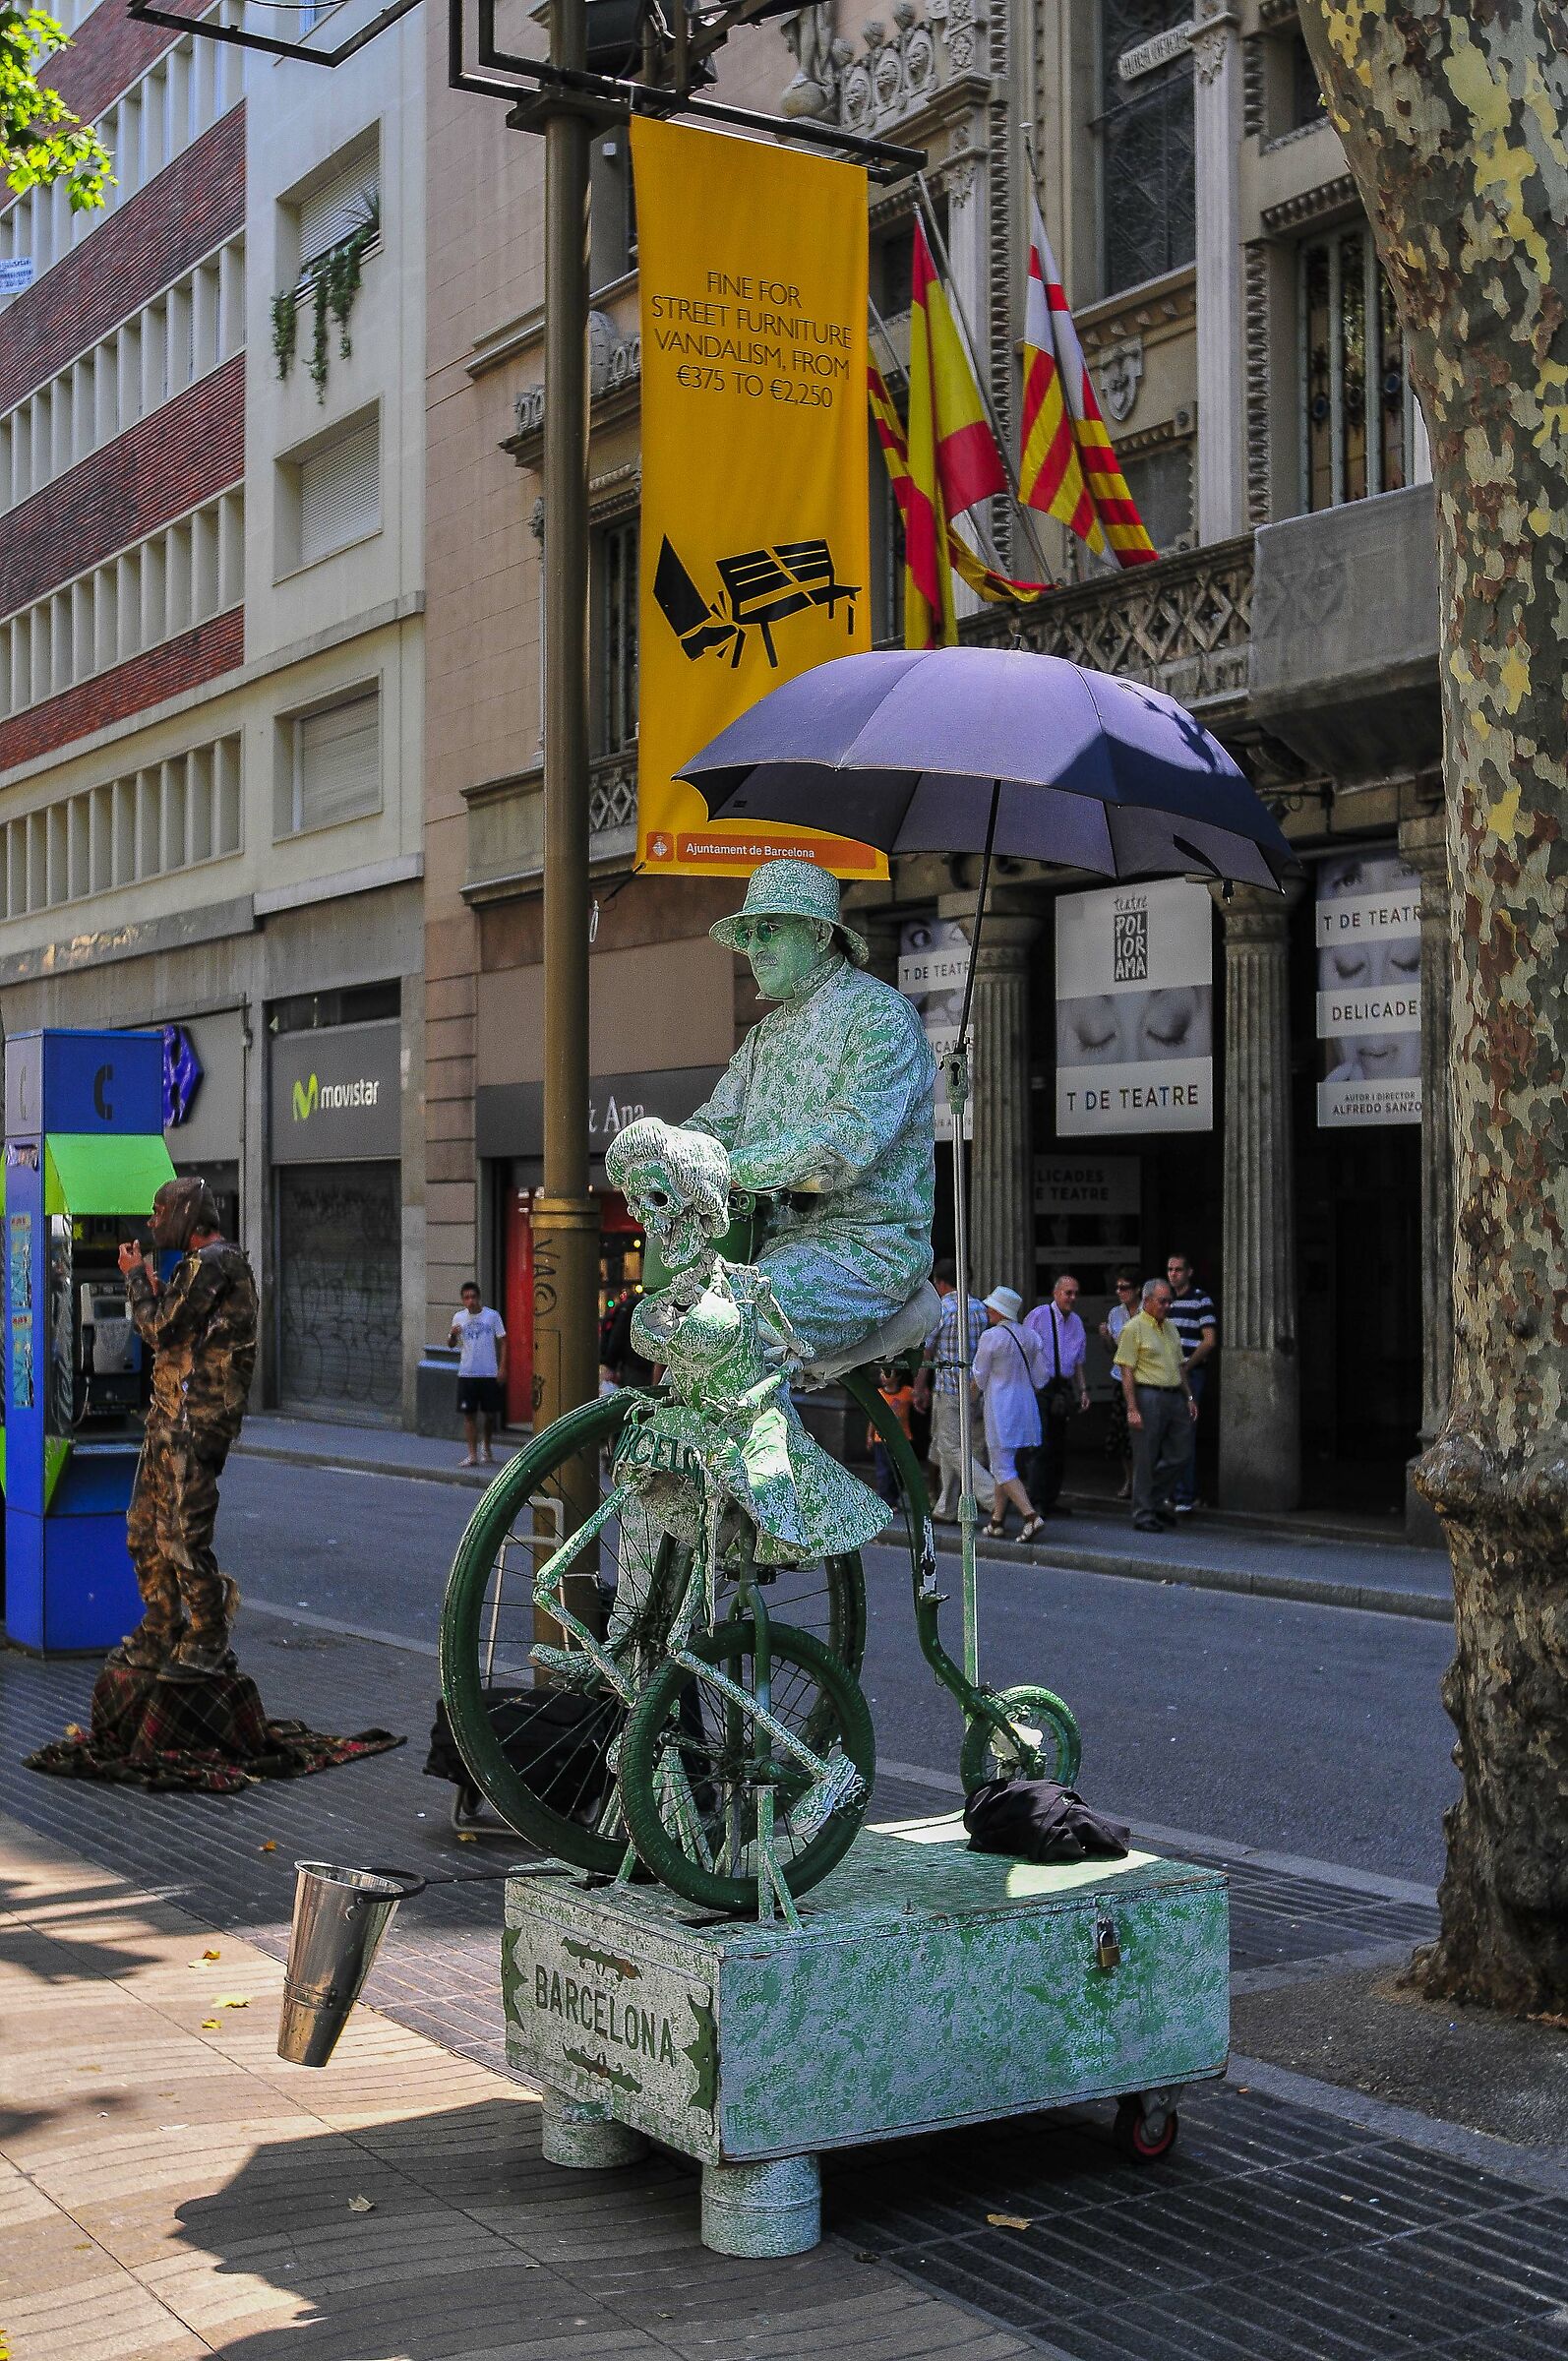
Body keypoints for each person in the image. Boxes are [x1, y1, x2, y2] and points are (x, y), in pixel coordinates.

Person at [684, 859, 935, 1362]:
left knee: (725, 1327)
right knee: (680, 1338)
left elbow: (844, 1144)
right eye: (748, 934)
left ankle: (775, 1445)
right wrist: (668, 1153)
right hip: (768, 1247)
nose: (754, 948)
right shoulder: (765, 1036)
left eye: (768, 929)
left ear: (820, 934)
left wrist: (726, 1169)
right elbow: (715, 1124)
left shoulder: (878, 1016)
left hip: (863, 1251)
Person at [110, 1177, 258, 1679]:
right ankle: (162, 1629)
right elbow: (176, 1332)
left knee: (182, 1536)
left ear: (185, 1215)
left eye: (158, 1212)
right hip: (169, 1418)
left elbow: (159, 1329)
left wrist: (134, 1281)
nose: (152, 1223)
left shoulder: (215, 1263)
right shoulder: (196, 1269)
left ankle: (208, 1639)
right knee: (144, 1530)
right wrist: (154, 1290)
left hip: (194, 1424)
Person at [1113, 1277, 1197, 1532]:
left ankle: (1154, 1500)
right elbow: (1126, 1370)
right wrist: (1132, 1408)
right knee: (1146, 1457)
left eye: (1170, 1301)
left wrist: (1189, 1396)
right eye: (1162, 1301)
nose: (1167, 1306)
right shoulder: (1134, 1328)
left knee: (1181, 1453)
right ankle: (1144, 1512)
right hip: (1148, 1394)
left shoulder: (1170, 1327)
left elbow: (1180, 1365)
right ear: (1147, 1301)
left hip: (1173, 1394)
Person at [914, 1258, 995, 1522]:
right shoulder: (982, 1309)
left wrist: (919, 1387)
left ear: (940, 1282)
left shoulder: (943, 1309)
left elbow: (927, 1351)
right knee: (958, 1444)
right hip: (975, 1388)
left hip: (948, 1386)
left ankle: (993, 1495)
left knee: (951, 1447)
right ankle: (947, 1506)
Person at [970, 1286, 1050, 1543]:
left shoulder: (991, 1338)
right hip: (1024, 1405)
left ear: (998, 1310)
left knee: (1002, 1466)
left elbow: (979, 1376)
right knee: (1005, 1463)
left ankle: (1030, 1516)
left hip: (999, 1406)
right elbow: (1041, 1377)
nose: (987, 1310)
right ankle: (996, 1520)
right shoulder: (1030, 1336)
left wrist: (969, 1401)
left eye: (990, 1307)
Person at [1023, 1273, 1090, 1516]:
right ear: (1056, 1293)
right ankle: (1035, 1500)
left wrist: (1082, 1390)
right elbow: (1025, 1351)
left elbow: (1079, 1363)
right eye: (1067, 1292)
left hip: (1063, 1386)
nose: (1072, 1298)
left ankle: (1050, 1498)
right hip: (1041, 1386)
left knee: (1059, 1447)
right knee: (1040, 1446)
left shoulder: (1077, 1323)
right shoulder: (1039, 1315)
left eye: (1075, 1293)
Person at [1165, 1250, 1217, 1515]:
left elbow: (1209, 1340)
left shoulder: (1200, 1300)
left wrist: (1188, 1365)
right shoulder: (1165, 1301)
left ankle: (1186, 1493)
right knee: (1168, 1433)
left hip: (1191, 1373)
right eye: (1170, 1270)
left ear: (1189, 1272)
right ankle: (1171, 1492)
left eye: (1178, 1270)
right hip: (1167, 1374)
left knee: (1185, 1433)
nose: (1173, 1274)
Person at [449, 1282, 508, 1467]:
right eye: (467, 1298)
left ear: (478, 1297)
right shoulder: (458, 1318)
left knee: (490, 1415)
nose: (471, 1301)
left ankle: (487, 1447)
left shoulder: (492, 1316)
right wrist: (452, 1335)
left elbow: (504, 1341)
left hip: (488, 1372)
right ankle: (472, 1454)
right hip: (467, 1373)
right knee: (469, 1415)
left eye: (473, 1297)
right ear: (463, 1300)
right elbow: (451, 1344)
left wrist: (502, 1367)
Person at [1100, 1271, 1140, 1498]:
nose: (1120, 1292)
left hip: (1143, 1378)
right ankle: (1129, 1480)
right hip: (1120, 1376)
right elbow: (1113, 1353)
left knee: (1142, 1433)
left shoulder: (1148, 1310)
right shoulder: (1115, 1313)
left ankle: (1142, 1482)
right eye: (1117, 1287)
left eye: (1124, 1287)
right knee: (1122, 1433)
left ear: (1136, 1290)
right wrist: (1105, 1337)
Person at [869, 1363, 915, 1507]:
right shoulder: (879, 1394)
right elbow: (872, 1417)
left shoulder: (907, 1393)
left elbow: (919, 1400)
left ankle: (894, 1497)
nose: (883, 1377)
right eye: (882, 1373)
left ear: (898, 1377)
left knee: (899, 1471)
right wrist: (869, 1436)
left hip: (902, 1438)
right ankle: (886, 1500)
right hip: (881, 1439)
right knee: (884, 1470)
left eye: (887, 1374)